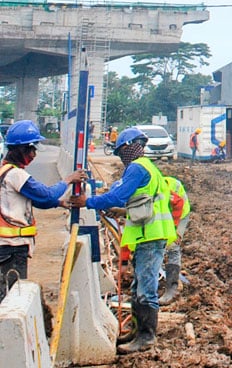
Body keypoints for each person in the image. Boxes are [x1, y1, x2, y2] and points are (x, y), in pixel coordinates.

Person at [70, 127, 176, 354]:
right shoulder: (149, 167)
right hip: (150, 234)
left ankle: (146, 337)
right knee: (139, 286)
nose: (121, 157)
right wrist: (120, 211)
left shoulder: (137, 168)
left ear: (128, 148)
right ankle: (138, 332)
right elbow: (143, 203)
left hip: (150, 235)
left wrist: (87, 202)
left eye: (120, 152)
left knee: (146, 289)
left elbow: (118, 195)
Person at [0, 120, 86, 303]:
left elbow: (37, 200)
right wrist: (68, 180)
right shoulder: (16, 175)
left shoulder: (5, 171)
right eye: (32, 149)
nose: (34, 155)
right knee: (10, 298)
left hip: (8, 247)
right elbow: (45, 195)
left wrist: (58, 203)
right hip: (11, 247)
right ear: (21, 149)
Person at [159, 175, 190, 305]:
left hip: (180, 214)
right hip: (165, 214)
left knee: (173, 246)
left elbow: (178, 205)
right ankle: (158, 280)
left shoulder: (164, 189)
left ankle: (172, 288)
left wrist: (175, 232)